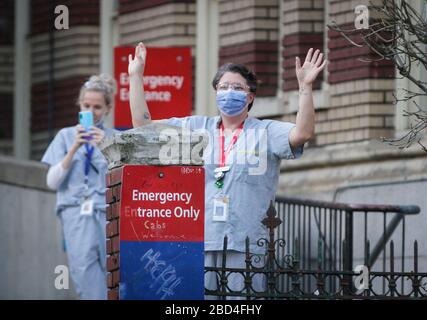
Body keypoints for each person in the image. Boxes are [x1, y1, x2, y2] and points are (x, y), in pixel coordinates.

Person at [128, 42, 326, 298]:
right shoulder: (196, 128)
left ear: (250, 96)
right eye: (223, 87)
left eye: (237, 88)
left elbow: (303, 133)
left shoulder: (265, 131)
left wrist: (305, 88)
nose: (228, 92)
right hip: (199, 241)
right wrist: (136, 76)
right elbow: (143, 128)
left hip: (247, 244)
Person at [41, 74, 117, 300]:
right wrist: (74, 148)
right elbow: (52, 182)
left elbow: (127, 178)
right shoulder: (65, 137)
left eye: (97, 107)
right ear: (79, 105)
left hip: (108, 213)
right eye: (86, 106)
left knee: (113, 269)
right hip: (76, 212)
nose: (91, 112)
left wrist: (105, 145)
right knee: (83, 269)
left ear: (107, 109)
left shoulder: (114, 138)